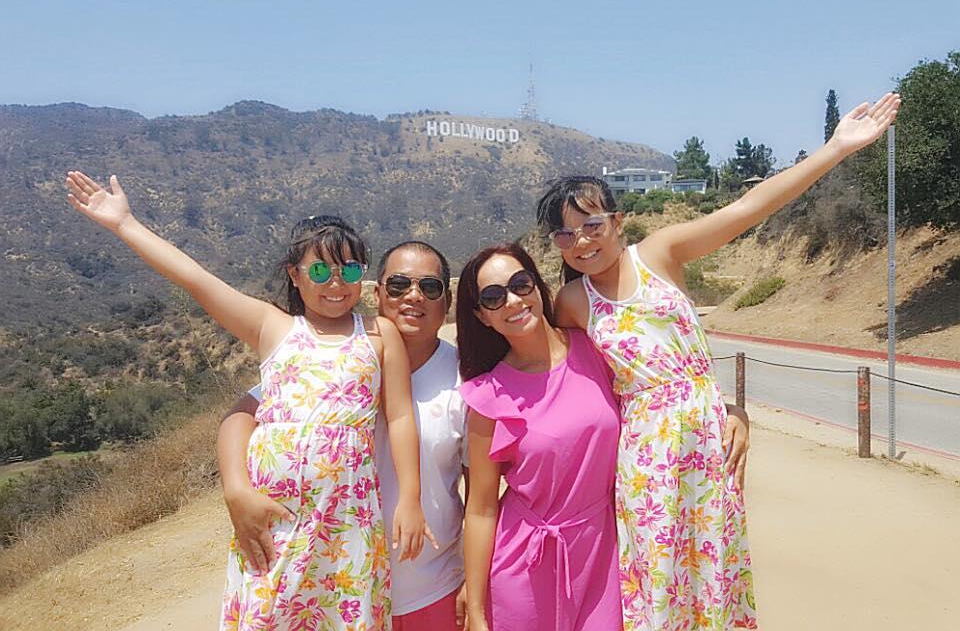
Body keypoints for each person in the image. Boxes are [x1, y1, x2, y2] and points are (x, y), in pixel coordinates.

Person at [537, 92, 900, 630]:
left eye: (591, 225)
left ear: (617, 221)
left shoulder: (659, 253)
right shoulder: (572, 302)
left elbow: (747, 209)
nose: (581, 242)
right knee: (658, 578)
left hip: (708, 443)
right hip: (645, 458)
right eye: (565, 234)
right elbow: (552, 374)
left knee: (716, 572)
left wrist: (835, 149)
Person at [62, 174, 429, 631]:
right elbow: (196, 280)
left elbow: (399, 416)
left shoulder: (378, 333)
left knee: (346, 616)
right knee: (267, 614)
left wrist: (410, 498)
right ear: (294, 275)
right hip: (272, 518)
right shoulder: (273, 327)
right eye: (320, 271)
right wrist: (125, 224)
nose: (336, 283)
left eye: (350, 271)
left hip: (349, 517)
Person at [219, 240, 470, 630]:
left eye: (430, 287)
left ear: (447, 301)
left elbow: (481, 496)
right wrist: (236, 489)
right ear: (377, 294)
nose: (413, 296)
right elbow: (241, 417)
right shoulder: (332, 363)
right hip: (333, 581)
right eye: (399, 285)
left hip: (432, 587)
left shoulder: (464, 379)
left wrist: (473, 579)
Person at [457, 243, 624, 631]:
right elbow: (481, 508)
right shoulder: (488, 396)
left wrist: (731, 413)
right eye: (494, 297)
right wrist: (477, 612)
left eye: (520, 284)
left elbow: (661, 393)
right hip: (525, 564)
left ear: (537, 284)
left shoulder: (596, 348)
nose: (513, 301)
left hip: (603, 551)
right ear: (482, 316)